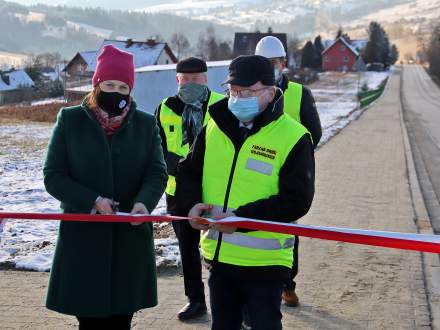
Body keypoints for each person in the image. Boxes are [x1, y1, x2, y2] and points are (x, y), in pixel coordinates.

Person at [175, 55, 315, 330]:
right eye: (234, 91)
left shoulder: (294, 137)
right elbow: (189, 170)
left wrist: (242, 218)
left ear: (271, 92)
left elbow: (297, 200)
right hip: (220, 257)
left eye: (248, 92)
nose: (238, 98)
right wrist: (190, 204)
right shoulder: (214, 126)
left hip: (266, 262)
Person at [43, 45, 167, 330]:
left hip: (129, 243)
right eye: (110, 84)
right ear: (96, 83)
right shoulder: (70, 121)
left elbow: (157, 173)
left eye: (123, 86)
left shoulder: (146, 125)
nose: (116, 91)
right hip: (84, 241)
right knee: (89, 321)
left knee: (121, 320)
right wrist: (92, 200)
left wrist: (143, 203)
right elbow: (53, 175)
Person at [154, 57, 224, 321]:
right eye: (186, 79)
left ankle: (230, 302)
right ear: (177, 80)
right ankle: (195, 300)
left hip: (215, 188)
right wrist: (174, 163)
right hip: (179, 191)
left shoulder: (223, 104)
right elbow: (156, 147)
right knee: (187, 248)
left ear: (206, 79)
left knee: (221, 247)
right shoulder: (165, 108)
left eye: (196, 79)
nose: (191, 83)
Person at [256, 35, 322, 306]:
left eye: (275, 62)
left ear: (283, 63)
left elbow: (314, 133)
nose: (271, 67)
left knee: (287, 231)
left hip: (288, 176)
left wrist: (295, 161)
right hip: (257, 173)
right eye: (265, 62)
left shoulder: (300, 93)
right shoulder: (251, 92)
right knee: (258, 227)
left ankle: (287, 284)